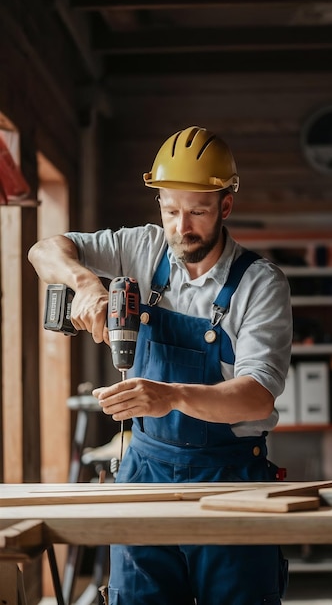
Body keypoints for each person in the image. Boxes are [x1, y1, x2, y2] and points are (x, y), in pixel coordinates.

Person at [28, 125, 293, 605]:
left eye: (197, 212)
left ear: (225, 207)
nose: (181, 227)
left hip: (228, 479)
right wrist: (86, 283)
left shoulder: (260, 284)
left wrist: (169, 395)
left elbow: (257, 395)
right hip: (142, 469)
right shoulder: (145, 247)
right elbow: (44, 249)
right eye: (171, 211)